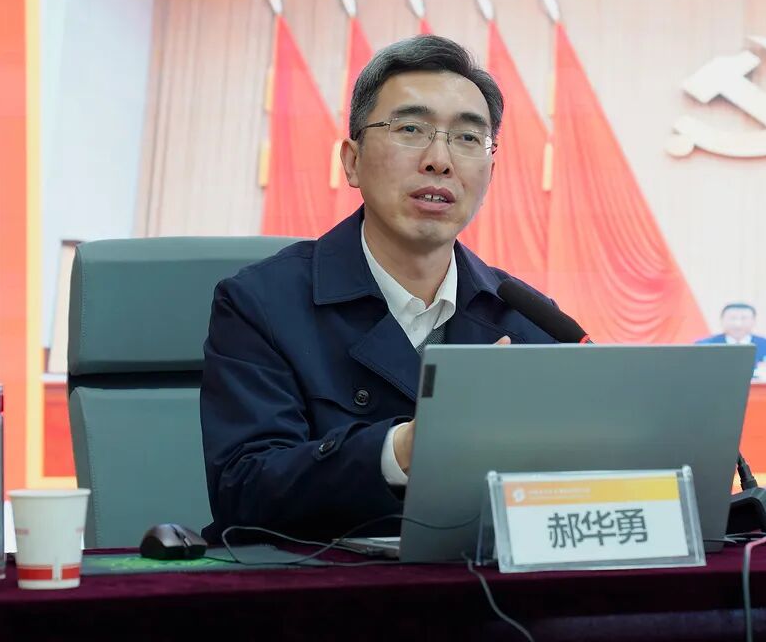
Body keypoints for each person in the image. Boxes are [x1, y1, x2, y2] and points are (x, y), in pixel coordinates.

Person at [199, 36, 557, 542]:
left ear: (490, 172)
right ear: (351, 161)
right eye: (411, 129)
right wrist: (401, 450)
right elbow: (243, 489)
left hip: (483, 582)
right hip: (324, 586)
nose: (440, 160)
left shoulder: (529, 322)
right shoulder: (260, 303)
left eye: (467, 138)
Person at [695, 302, 766, 365]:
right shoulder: (704, 346)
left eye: (744, 318)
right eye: (732, 318)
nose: (738, 324)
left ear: (754, 321)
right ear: (722, 320)